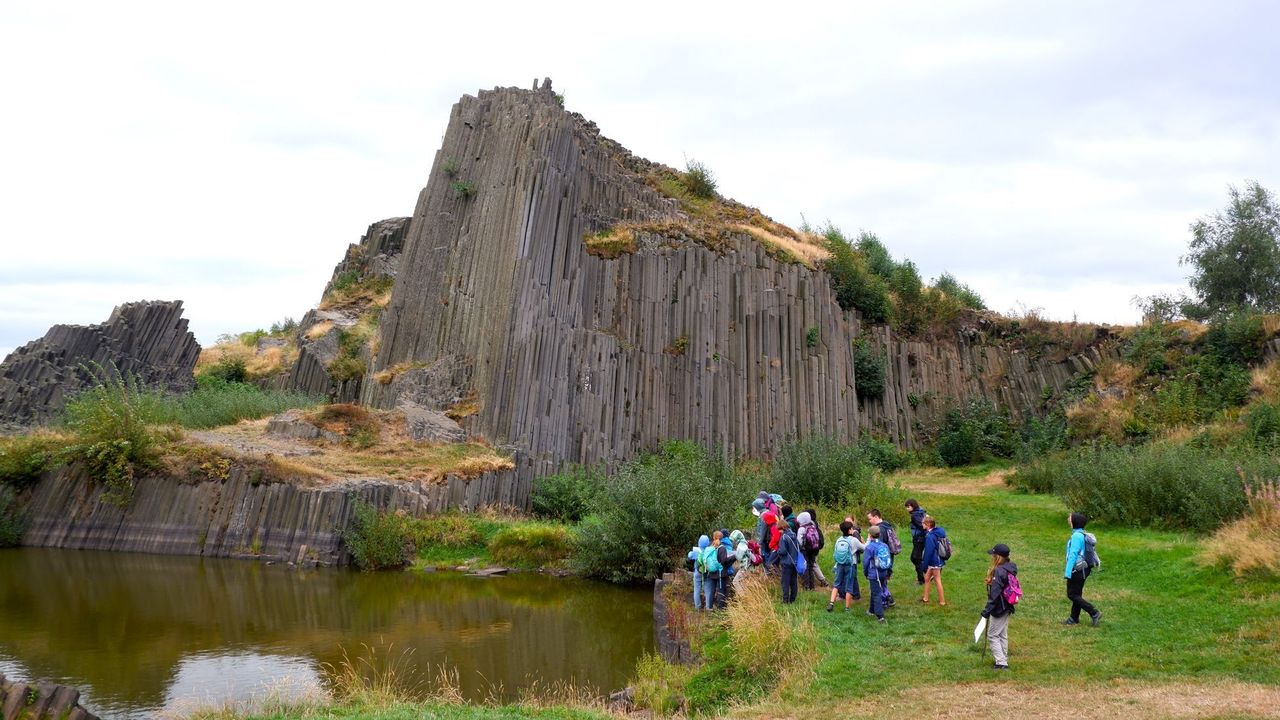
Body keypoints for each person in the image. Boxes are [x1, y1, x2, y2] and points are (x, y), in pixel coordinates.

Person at [981, 543, 1018, 670]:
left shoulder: (999, 571)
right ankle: (1003, 658)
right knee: (1002, 634)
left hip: (999, 607)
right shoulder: (1010, 568)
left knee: (992, 635)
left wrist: (986, 611)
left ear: (998, 557)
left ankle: (1001, 662)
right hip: (1008, 605)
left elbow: (995, 594)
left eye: (993, 555)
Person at [1064, 512, 1101, 626]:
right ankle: (1073, 618)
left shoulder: (1076, 536)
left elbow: (1073, 555)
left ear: (1075, 521)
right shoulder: (1081, 534)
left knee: (1072, 595)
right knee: (1077, 594)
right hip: (1084, 569)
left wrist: (1068, 572)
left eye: (1070, 518)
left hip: (1078, 570)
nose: (1068, 519)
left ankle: (1094, 612)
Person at [828, 520, 865, 611]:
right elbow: (864, 548)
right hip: (850, 565)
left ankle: (831, 603)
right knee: (849, 586)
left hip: (840, 564)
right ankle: (847, 608)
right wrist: (864, 542)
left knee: (836, 584)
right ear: (849, 530)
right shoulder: (854, 540)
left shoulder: (839, 540)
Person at [867, 509, 897, 607]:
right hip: (889, 557)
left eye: (870, 519)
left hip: (881, 560)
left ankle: (885, 601)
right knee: (883, 580)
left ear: (876, 517)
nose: (869, 521)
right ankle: (888, 599)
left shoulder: (880, 529)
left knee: (880, 581)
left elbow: (877, 548)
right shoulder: (887, 525)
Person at [862, 525, 891, 623]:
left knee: (876, 593)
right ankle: (871, 610)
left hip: (875, 574)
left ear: (870, 535)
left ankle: (880, 616)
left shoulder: (869, 547)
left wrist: (865, 573)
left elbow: (866, 563)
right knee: (875, 591)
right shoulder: (884, 545)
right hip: (884, 572)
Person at [770, 513, 801, 603]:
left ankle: (785, 600)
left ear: (782, 528)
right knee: (793, 582)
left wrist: (777, 551)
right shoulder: (793, 534)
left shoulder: (784, 537)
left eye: (779, 530)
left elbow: (783, 551)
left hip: (786, 563)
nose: (779, 532)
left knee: (785, 582)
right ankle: (793, 599)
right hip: (795, 561)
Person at [920, 515, 948, 606]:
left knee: (937, 580)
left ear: (927, 524)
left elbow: (928, 551)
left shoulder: (930, 536)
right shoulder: (939, 531)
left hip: (934, 561)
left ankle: (942, 602)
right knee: (927, 578)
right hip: (939, 559)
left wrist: (924, 565)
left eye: (923, 523)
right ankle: (925, 598)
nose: (922, 525)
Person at [804, 508, 829, 588]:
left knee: (813, 564)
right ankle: (821, 580)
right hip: (817, 546)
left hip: (812, 548)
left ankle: (823, 580)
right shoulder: (815, 523)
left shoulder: (809, 524)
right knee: (814, 563)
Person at [797, 511, 821, 591]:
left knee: (805, 567)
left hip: (805, 550)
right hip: (813, 549)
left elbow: (799, 541)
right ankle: (812, 586)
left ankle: (806, 586)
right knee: (811, 567)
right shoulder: (813, 526)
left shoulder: (801, 529)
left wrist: (799, 549)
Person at [906, 499, 928, 585]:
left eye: (908, 507)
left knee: (915, 558)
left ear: (913, 506)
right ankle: (926, 574)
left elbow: (922, 526)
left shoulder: (915, 515)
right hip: (921, 539)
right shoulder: (921, 511)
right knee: (916, 558)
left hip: (919, 540)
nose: (907, 509)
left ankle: (922, 579)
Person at [688, 535, 710, 610]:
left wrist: (691, 553)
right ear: (708, 543)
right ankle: (708, 607)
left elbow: (689, 556)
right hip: (707, 572)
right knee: (707, 590)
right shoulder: (709, 551)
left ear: (699, 542)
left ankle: (697, 607)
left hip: (698, 572)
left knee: (697, 590)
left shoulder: (696, 551)